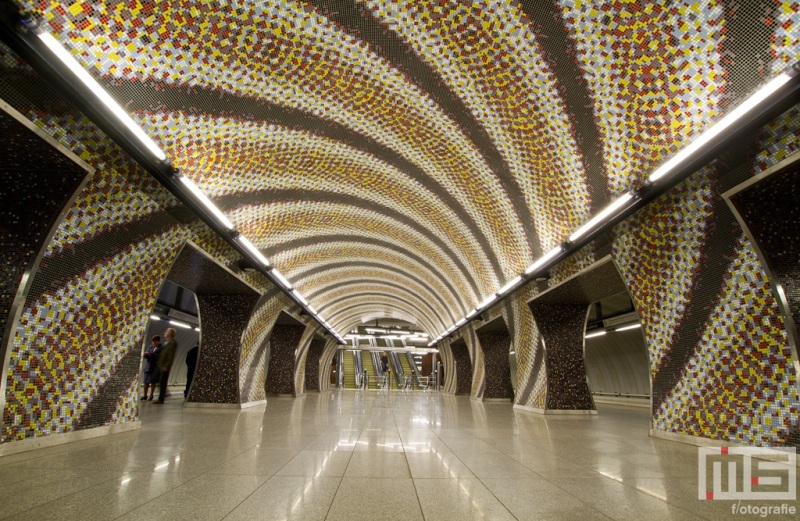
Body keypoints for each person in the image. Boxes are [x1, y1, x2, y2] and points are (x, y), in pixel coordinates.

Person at [153, 327, 177, 404]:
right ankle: (164, 395)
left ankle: (161, 398)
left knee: (162, 382)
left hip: (165, 366)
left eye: (166, 332)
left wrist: (167, 365)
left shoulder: (172, 343)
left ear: (170, 334)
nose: (165, 332)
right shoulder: (167, 342)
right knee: (157, 380)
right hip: (160, 365)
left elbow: (171, 355)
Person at [142, 335, 160, 400]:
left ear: (158, 341)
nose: (153, 343)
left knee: (153, 382)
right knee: (145, 382)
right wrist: (146, 354)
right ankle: (145, 395)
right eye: (153, 342)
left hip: (154, 367)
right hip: (148, 366)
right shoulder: (151, 347)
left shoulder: (160, 348)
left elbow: (158, 357)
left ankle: (151, 395)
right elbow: (146, 357)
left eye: (155, 342)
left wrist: (151, 354)